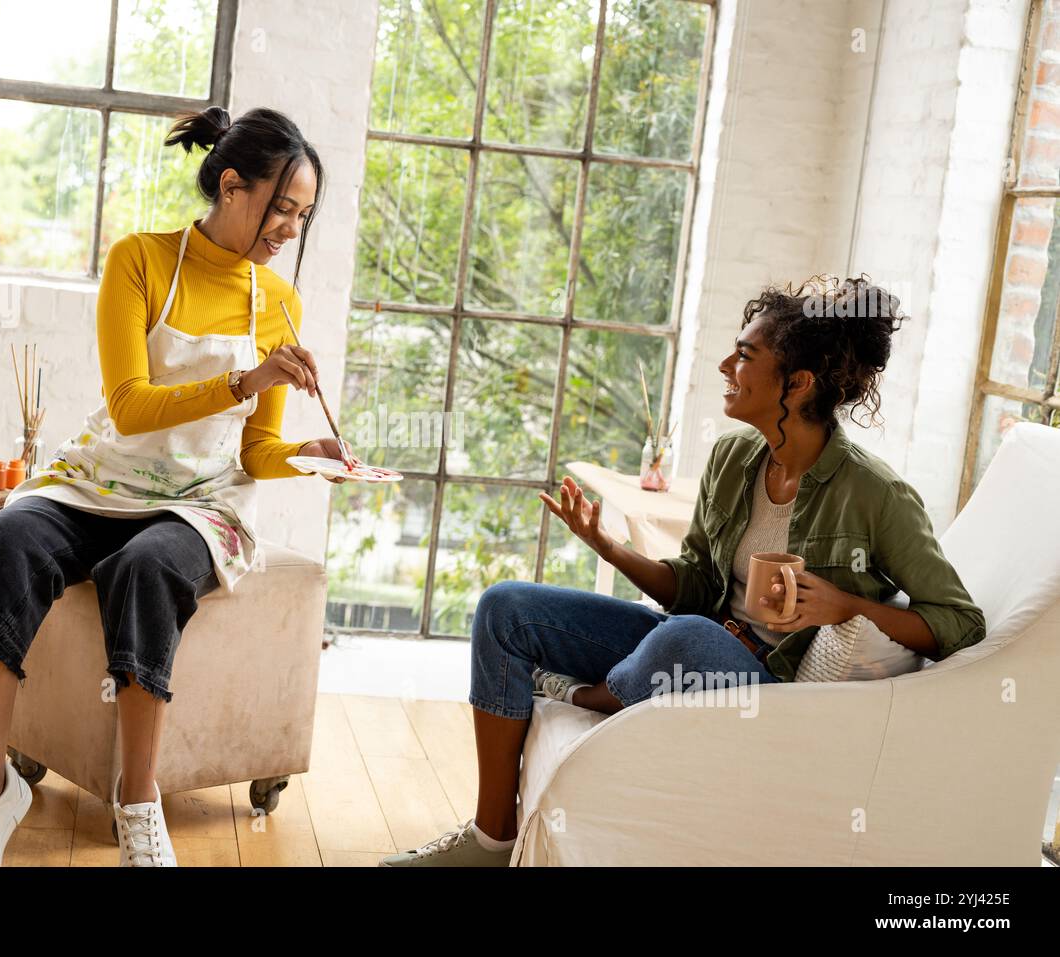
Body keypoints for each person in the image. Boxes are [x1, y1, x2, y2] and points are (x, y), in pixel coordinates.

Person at [381, 275, 986, 866]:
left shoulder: (877, 495)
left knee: (685, 639)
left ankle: (582, 692)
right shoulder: (733, 457)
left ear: (797, 384)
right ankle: (493, 840)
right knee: (505, 608)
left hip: (764, 685)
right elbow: (693, 585)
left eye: (745, 356)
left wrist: (846, 606)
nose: (726, 366)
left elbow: (959, 623)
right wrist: (610, 547)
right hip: (697, 643)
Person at [0, 106, 355, 867]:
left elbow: (257, 453)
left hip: (198, 501)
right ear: (232, 186)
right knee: (3, 538)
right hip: (100, 481)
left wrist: (311, 453)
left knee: (147, 565)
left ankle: (139, 805)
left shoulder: (280, 305)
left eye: (303, 213)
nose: (292, 227)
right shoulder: (141, 260)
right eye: (282, 207)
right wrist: (244, 378)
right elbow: (129, 406)